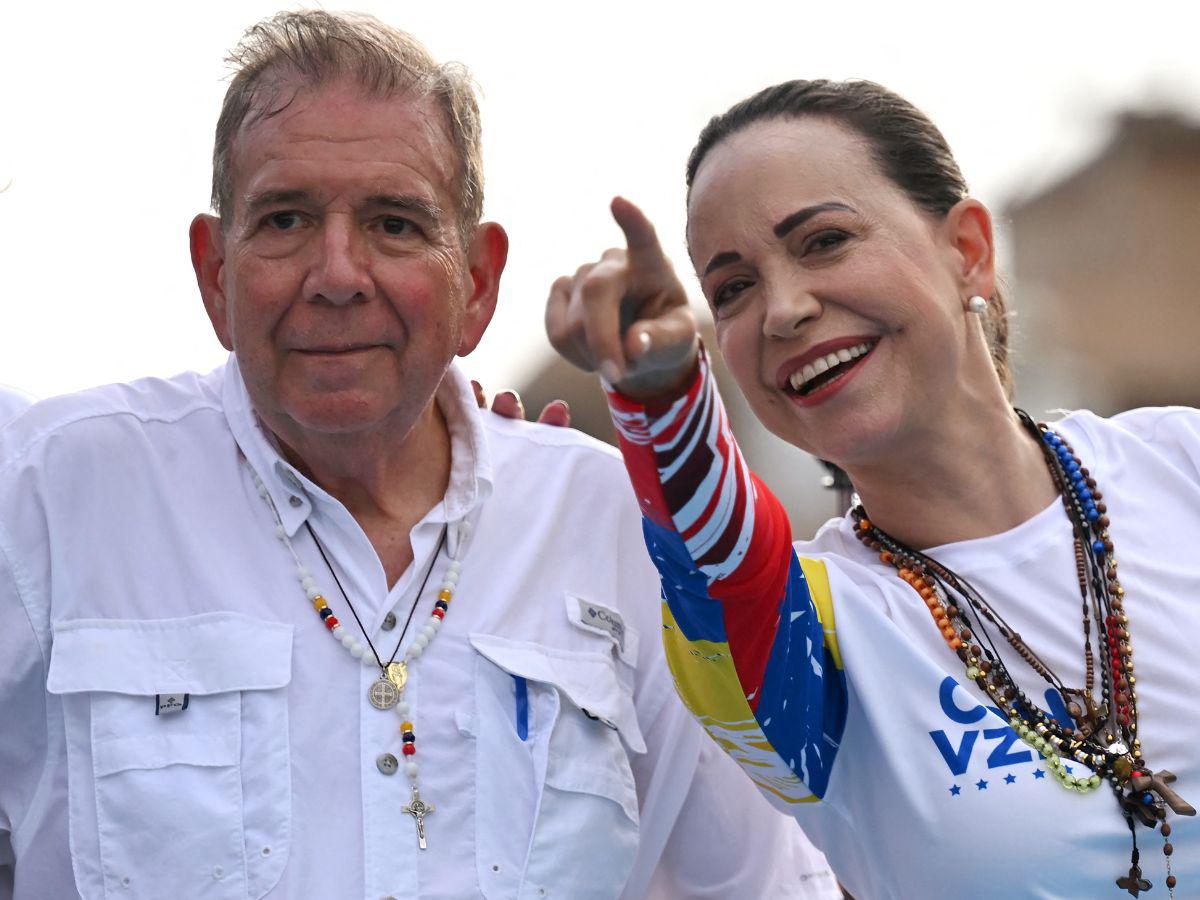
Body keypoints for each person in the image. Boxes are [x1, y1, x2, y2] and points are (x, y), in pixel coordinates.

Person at [0, 12, 840, 900]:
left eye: (394, 224)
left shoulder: (609, 525)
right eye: (285, 219)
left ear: (477, 284)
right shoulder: (51, 494)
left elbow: (759, 884)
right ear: (215, 273)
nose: (336, 273)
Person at [546, 79, 1199, 899]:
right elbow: (721, 566)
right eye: (733, 290)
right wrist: (663, 392)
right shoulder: (810, 638)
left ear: (968, 250)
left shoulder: (1181, 460)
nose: (784, 309)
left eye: (823, 241)